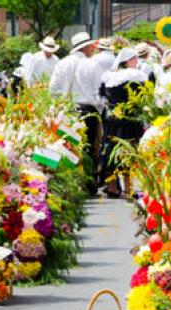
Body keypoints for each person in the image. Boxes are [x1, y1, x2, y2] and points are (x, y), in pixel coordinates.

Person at [50, 31, 100, 195]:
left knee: (69, 147)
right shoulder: (92, 64)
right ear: (85, 47)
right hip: (88, 110)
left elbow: (52, 89)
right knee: (90, 147)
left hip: (67, 110)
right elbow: (97, 92)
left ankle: (72, 185)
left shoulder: (62, 63)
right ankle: (89, 184)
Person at [99, 47, 146, 198]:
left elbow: (101, 96)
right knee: (128, 152)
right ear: (129, 61)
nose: (137, 62)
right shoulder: (137, 75)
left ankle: (112, 186)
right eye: (135, 59)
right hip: (130, 120)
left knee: (110, 151)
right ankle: (127, 188)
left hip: (112, 119)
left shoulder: (108, 77)